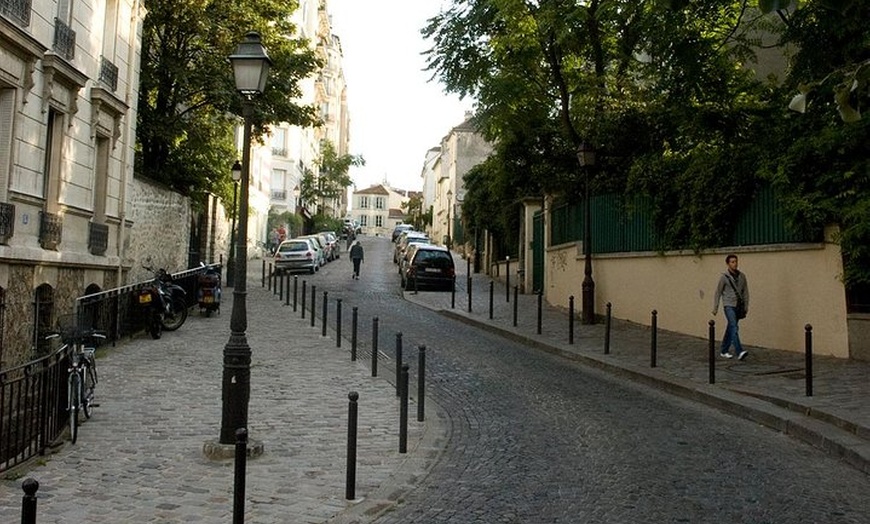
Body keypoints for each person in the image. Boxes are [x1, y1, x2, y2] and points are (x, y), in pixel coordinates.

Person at [712, 254, 750, 360]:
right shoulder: (724, 277)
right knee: (734, 327)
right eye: (732, 262)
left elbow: (745, 292)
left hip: (738, 306)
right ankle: (739, 351)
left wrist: (746, 306)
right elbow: (718, 292)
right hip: (728, 305)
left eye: (736, 261)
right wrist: (715, 307)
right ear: (728, 264)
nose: (735, 264)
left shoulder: (742, 276)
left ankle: (724, 350)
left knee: (730, 328)